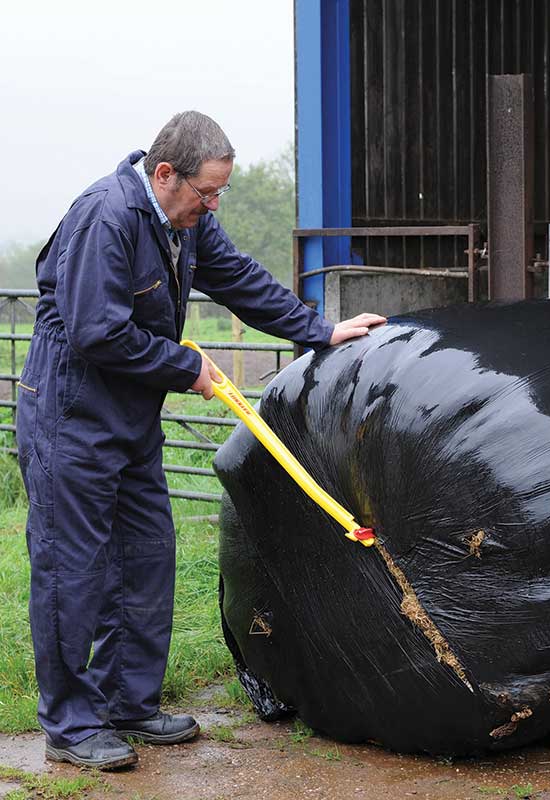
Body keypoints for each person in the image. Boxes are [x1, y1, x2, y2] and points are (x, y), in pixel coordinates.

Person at [15, 110, 385, 770]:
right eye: (206, 193)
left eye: (220, 193)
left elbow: (237, 276)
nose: (212, 206)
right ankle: (71, 725)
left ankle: (129, 703)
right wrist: (187, 367)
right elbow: (94, 332)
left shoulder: (183, 220)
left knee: (149, 554)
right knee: (76, 569)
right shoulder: (107, 218)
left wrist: (317, 331)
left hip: (128, 417)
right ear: (165, 174)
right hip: (71, 415)